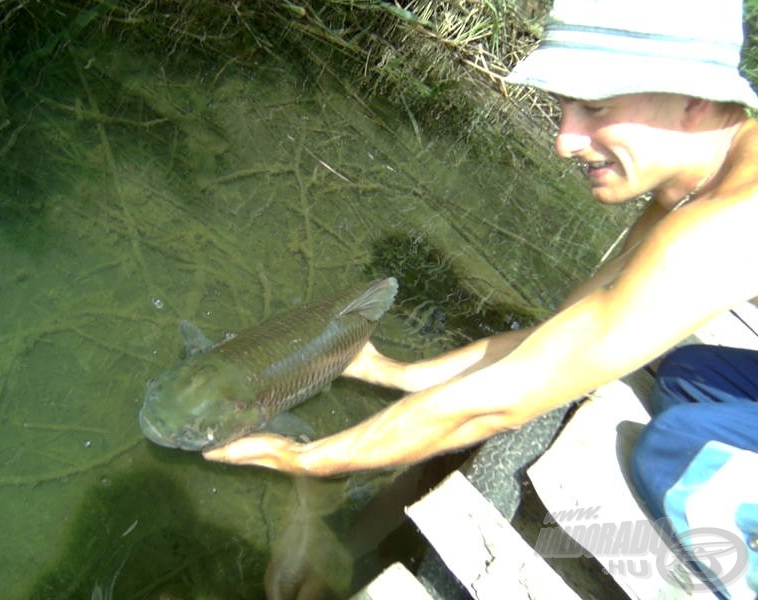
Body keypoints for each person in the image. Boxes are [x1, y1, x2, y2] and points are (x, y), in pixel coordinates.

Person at [206, 0, 758, 594]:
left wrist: (310, 461)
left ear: (694, 99)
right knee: (684, 376)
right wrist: (396, 373)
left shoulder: (730, 220)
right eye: (562, 106)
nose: (564, 142)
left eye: (595, 107)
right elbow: (557, 339)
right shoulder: (695, 182)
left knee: (675, 454)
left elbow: (502, 403)